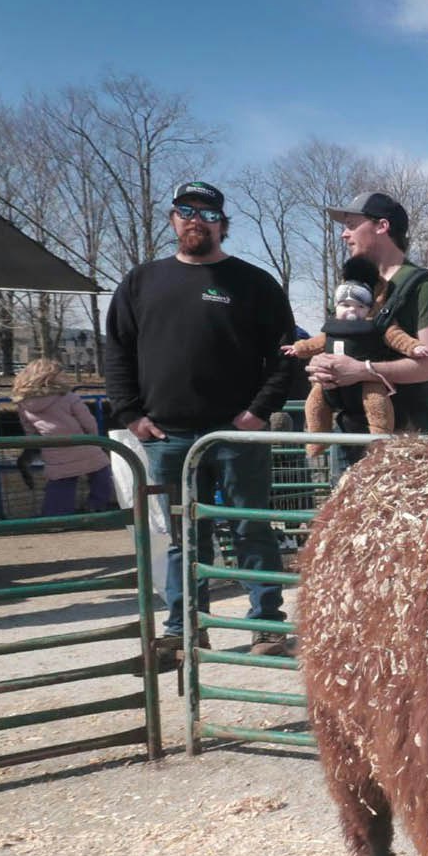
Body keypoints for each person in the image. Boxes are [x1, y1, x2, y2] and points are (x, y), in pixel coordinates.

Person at [104, 179, 300, 659]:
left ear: (223, 224)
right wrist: (130, 414)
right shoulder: (141, 282)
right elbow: (116, 351)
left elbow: (285, 356)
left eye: (208, 213)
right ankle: (183, 628)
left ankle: (267, 626)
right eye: (186, 210)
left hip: (236, 433)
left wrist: (259, 412)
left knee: (250, 525)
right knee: (183, 535)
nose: (196, 220)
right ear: (172, 219)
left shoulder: (254, 283)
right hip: (165, 433)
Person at [305, 192, 428, 471]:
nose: (344, 235)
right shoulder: (353, 285)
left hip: (409, 436)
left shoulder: (426, 287)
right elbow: (334, 344)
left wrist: (363, 370)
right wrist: (320, 365)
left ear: (381, 226)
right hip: (349, 430)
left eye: (351, 225)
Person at [280, 264, 428, 456]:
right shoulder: (332, 328)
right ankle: (318, 440)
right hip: (330, 383)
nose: (352, 311)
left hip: (367, 380)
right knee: (314, 404)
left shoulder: (377, 326)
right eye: (346, 305)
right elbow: (315, 343)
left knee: (377, 404)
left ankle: (382, 443)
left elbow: (397, 337)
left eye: (360, 306)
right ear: (337, 306)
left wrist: (414, 347)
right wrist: (298, 347)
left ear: (368, 308)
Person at [12, 359, 114, 517]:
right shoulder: (68, 397)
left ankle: (56, 515)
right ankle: (96, 506)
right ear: (52, 377)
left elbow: (29, 429)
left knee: (61, 482)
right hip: (81, 443)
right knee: (101, 474)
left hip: (53, 447)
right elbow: (87, 420)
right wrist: (93, 436)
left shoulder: (23, 403)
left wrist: (40, 442)